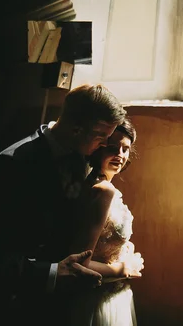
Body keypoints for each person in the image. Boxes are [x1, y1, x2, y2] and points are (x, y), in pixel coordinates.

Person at [0, 84, 138, 326]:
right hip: (16, 302)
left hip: (59, 305)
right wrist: (52, 272)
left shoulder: (83, 155)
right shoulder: (13, 165)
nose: (105, 145)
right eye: (102, 137)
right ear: (76, 129)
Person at [68, 117, 143, 326]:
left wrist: (124, 249)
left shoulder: (98, 185)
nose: (120, 155)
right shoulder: (102, 191)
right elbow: (79, 262)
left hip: (112, 294)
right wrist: (124, 268)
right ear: (99, 148)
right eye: (113, 147)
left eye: (125, 149)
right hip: (97, 299)